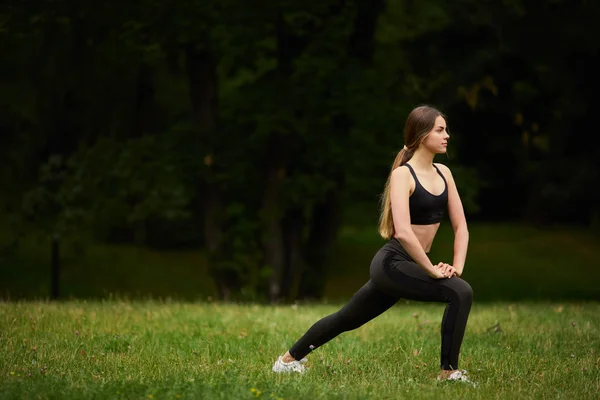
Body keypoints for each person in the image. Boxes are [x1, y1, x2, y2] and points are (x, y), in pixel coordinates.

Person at [272, 105, 473, 382]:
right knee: (460, 293)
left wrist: (456, 267)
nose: (446, 135)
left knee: (347, 318)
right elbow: (403, 232)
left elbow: (461, 226)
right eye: (440, 130)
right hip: (392, 263)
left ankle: (287, 361)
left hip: (410, 263)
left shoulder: (444, 173)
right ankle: (448, 373)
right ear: (422, 134)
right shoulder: (403, 175)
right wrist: (432, 270)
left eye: (446, 129)